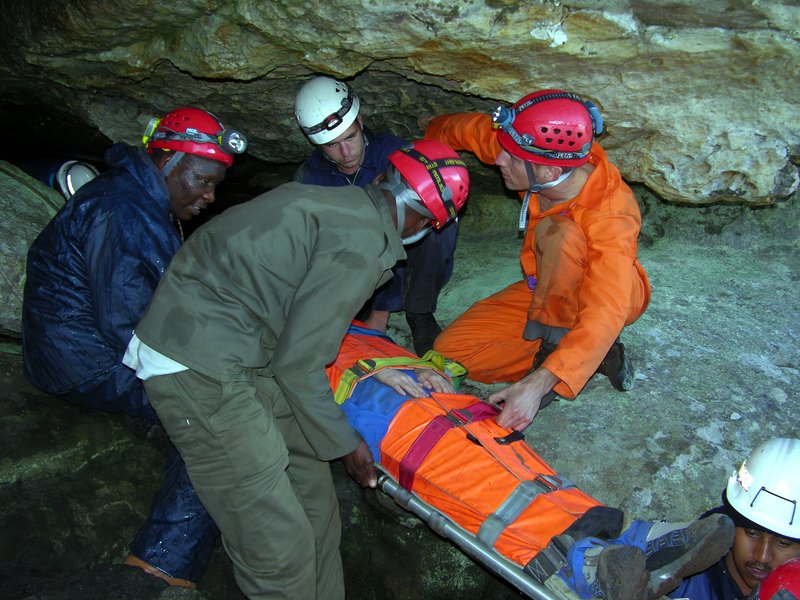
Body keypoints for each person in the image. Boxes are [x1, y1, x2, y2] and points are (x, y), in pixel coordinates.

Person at [122, 140, 470, 599]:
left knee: (315, 504)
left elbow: (294, 333)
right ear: (423, 223)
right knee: (279, 546)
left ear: (382, 178)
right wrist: (348, 445)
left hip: (248, 350)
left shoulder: (331, 204)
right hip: (199, 362)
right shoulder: (361, 246)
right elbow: (300, 363)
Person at [326, 321, 734, 600]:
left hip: (433, 396)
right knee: (477, 482)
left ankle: (627, 533)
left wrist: (421, 367)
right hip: (387, 417)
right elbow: (302, 369)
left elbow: (376, 337)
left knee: (519, 463)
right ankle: (576, 565)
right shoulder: (300, 315)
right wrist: (347, 423)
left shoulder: (350, 314)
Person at [22, 107, 247, 588]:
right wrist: (210, 378)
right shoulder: (125, 211)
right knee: (221, 421)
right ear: (167, 161)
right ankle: (160, 568)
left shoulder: (136, 197)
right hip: (83, 360)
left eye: (215, 185)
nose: (209, 196)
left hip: (73, 347)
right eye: (202, 181)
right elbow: (132, 328)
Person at [422, 89, 651, 430]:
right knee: (451, 353)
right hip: (545, 286)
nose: (499, 160)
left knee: (560, 234)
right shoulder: (531, 153)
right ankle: (588, 356)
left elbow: (607, 307)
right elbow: (469, 130)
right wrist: (427, 135)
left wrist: (539, 383)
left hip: (608, 294)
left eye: (510, 158)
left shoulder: (611, 214)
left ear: (548, 172)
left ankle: (560, 359)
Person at [294, 75, 461, 355]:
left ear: (360, 122)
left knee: (436, 219)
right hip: (353, 267)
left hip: (403, 253)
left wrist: (381, 312)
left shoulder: (396, 154)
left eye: (350, 137)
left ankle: (419, 311)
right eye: (332, 145)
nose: (345, 152)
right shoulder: (310, 178)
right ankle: (360, 312)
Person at [669, 437, 800, 599]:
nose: (762, 556)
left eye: (783, 543)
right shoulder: (676, 581)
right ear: (729, 524)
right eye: (752, 533)